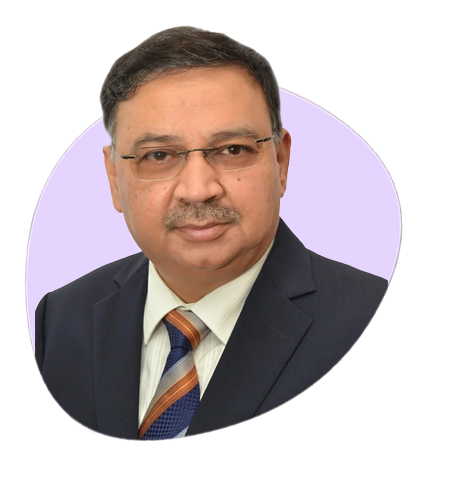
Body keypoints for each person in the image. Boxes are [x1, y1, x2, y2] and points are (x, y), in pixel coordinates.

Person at [34, 26, 388, 442]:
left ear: (280, 161)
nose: (198, 189)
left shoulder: (381, 329)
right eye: (159, 155)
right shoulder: (61, 318)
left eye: (232, 149)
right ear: (114, 178)